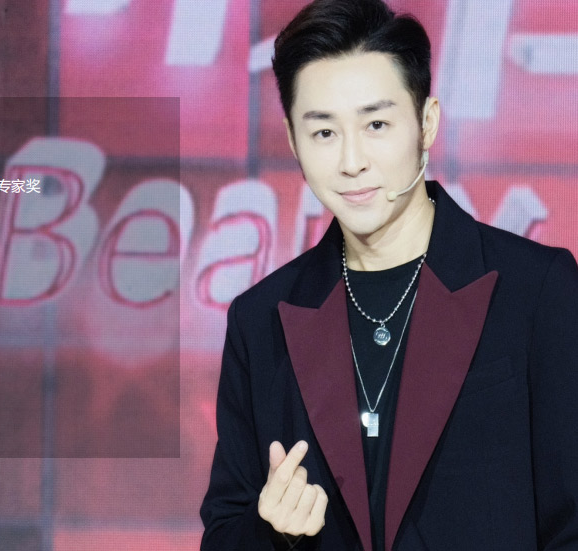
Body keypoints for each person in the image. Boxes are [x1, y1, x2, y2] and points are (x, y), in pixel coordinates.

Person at [199, 0, 578, 549]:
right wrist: (272, 532)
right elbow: (224, 532)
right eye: (324, 133)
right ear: (292, 140)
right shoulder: (261, 322)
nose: (351, 161)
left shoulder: (537, 290)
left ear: (427, 122)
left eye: (376, 124)